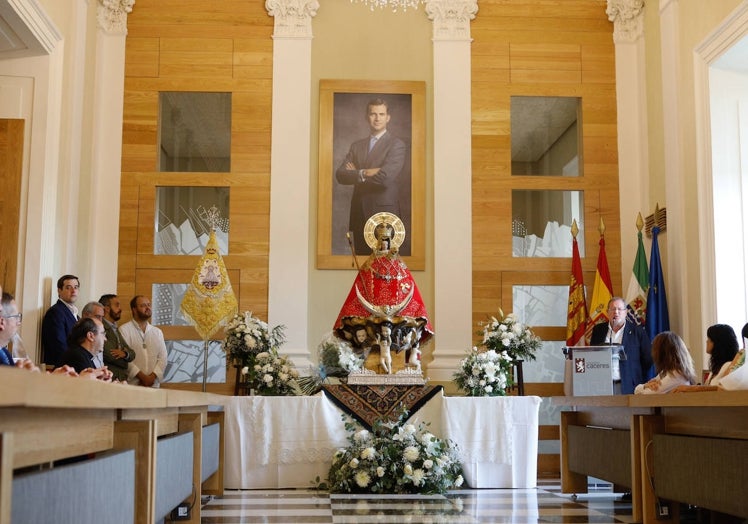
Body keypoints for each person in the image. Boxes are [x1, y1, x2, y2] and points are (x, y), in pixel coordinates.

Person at [336, 98, 407, 255]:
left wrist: (356, 173)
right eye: (373, 114)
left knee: (384, 265)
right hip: (358, 214)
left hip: (384, 217)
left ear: (388, 117)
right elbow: (340, 175)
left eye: (381, 114)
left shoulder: (396, 144)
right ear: (366, 117)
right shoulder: (357, 146)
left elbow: (385, 177)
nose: (377, 118)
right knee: (362, 267)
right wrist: (366, 172)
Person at [590, 296, 653, 394]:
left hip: (629, 385)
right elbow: (592, 356)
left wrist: (633, 374)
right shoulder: (598, 330)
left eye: (619, 309)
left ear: (626, 312)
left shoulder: (638, 331)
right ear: (607, 312)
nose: (616, 312)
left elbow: (648, 360)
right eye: (613, 309)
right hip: (602, 385)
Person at [119, 295, 167, 387]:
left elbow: (163, 358)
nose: (148, 307)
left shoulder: (157, 332)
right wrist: (143, 378)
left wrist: (151, 378)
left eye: (149, 305)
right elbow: (125, 358)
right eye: (143, 305)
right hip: (133, 384)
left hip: (153, 384)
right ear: (134, 309)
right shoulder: (124, 330)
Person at [41, 274, 81, 367]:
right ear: (59, 291)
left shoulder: (76, 314)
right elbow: (59, 346)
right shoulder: (55, 313)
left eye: (76, 287)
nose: (73, 290)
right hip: (63, 368)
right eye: (68, 287)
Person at [99, 293, 136, 382]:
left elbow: (132, 353)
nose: (120, 309)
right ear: (107, 308)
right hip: (108, 378)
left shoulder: (115, 327)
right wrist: (126, 362)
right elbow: (110, 355)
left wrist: (126, 354)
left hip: (119, 378)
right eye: (117, 305)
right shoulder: (100, 327)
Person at [80, 301, 106, 368]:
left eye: (102, 317)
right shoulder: (78, 354)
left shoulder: (98, 333)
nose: (101, 320)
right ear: (85, 315)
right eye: (98, 316)